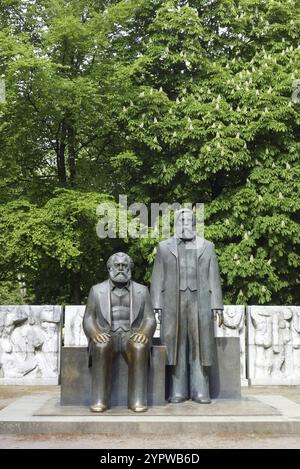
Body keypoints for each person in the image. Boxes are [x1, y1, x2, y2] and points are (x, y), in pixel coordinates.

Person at [151, 208, 223, 403]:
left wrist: (217, 304)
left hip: (200, 300)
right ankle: (177, 390)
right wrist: (156, 303)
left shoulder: (207, 246)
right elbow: (158, 276)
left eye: (189, 220)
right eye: (181, 220)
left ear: (194, 223)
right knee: (176, 344)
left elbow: (213, 275)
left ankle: (201, 390)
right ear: (176, 224)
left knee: (201, 344)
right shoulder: (164, 247)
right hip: (173, 301)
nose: (185, 224)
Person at [83, 252, 156, 412]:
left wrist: (144, 332)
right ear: (109, 268)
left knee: (139, 346)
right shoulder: (96, 291)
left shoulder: (142, 291)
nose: (121, 269)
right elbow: (88, 318)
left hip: (131, 334)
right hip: (107, 334)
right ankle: (100, 400)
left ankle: (137, 400)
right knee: (101, 345)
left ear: (130, 268)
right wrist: (95, 333)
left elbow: (150, 318)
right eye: (117, 265)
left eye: (125, 266)